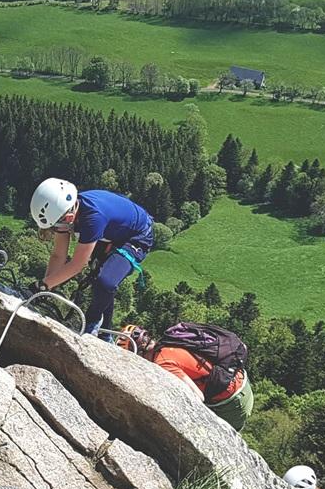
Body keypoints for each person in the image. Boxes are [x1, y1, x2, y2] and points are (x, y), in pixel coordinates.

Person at [29, 178, 154, 338]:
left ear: (70, 211)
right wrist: (44, 287)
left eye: (62, 222)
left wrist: (43, 286)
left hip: (137, 235)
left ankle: (93, 322)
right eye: (56, 225)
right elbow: (58, 255)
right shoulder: (66, 212)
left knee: (106, 281)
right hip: (114, 230)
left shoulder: (93, 217)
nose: (61, 228)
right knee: (100, 278)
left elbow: (77, 264)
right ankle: (105, 333)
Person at [117, 325, 253, 432]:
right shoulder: (170, 341)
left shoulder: (164, 363)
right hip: (240, 380)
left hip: (232, 402)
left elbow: (198, 397)